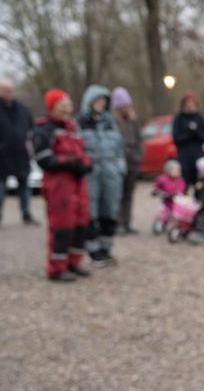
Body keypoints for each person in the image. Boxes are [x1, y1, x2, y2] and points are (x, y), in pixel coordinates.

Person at [33, 89, 92, 281]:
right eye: (62, 105)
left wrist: (86, 163)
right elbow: (43, 158)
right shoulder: (44, 128)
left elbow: (82, 151)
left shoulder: (73, 127)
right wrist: (68, 162)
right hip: (59, 183)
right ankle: (57, 267)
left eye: (68, 105)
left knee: (81, 222)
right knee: (62, 224)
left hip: (77, 181)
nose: (67, 109)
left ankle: (74, 262)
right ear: (52, 108)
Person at [77, 84, 126, 266]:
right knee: (91, 212)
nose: (101, 104)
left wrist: (121, 168)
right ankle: (93, 250)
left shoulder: (110, 123)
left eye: (104, 101)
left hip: (111, 173)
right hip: (91, 174)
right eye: (97, 100)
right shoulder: (81, 123)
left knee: (110, 210)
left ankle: (106, 248)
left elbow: (120, 148)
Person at [0, 77, 38, 226]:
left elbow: (30, 127)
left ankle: (26, 214)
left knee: (25, 188)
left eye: (11, 90)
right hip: (2, 157)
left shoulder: (22, 108)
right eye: (6, 90)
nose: (9, 93)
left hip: (21, 155)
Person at [111, 87, 142, 235]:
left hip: (132, 161)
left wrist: (138, 156)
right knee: (118, 194)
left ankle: (127, 223)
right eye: (121, 107)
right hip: (119, 161)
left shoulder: (133, 121)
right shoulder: (113, 122)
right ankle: (118, 223)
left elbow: (139, 140)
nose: (125, 109)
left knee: (129, 194)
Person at [172, 92, 204, 191]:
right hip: (184, 156)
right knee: (184, 184)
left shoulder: (199, 118)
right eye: (188, 104)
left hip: (198, 156)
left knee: (199, 184)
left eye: (192, 104)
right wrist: (188, 134)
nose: (190, 106)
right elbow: (176, 139)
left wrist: (196, 133)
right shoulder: (179, 118)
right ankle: (183, 205)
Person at [152, 159, 186, 234]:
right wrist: (157, 191)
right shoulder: (162, 179)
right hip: (166, 201)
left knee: (176, 215)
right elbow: (157, 186)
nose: (177, 172)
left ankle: (174, 227)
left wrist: (179, 192)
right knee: (163, 213)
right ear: (168, 170)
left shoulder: (180, 180)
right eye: (175, 170)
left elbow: (182, 187)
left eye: (178, 170)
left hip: (175, 202)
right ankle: (160, 223)